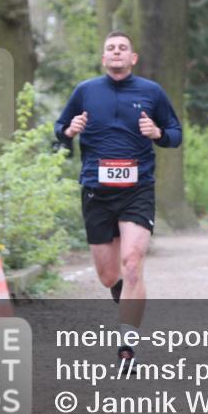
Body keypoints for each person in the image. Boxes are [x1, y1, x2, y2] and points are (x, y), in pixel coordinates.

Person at [54, 31, 182, 364]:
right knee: (109, 275)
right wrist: (70, 131)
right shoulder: (85, 91)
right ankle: (123, 290)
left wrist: (157, 133)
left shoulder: (151, 92)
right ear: (103, 57)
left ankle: (127, 346)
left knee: (133, 263)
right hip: (96, 190)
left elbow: (175, 134)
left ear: (133, 57)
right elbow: (59, 133)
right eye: (110, 48)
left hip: (137, 189)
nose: (116, 53)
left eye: (122, 48)